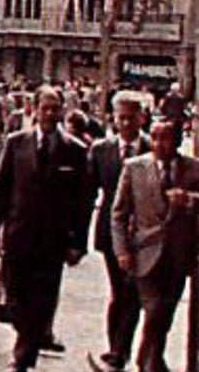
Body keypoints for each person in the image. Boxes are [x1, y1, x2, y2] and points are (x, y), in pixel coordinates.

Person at [0, 87, 91, 372]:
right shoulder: (16, 143)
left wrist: (78, 243)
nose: (50, 114)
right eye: (45, 108)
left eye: (55, 109)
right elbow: (2, 191)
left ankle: (23, 356)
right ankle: (27, 336)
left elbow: (82, 203)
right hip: (18, 235)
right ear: (34, 109)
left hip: (53, 240)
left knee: (43, 298)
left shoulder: (75, 150)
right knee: (16, 295)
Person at [111, 121, 199, 372]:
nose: (159, 144)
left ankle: (150, 359)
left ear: (178, 141)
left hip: (177, 255)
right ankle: (150, 363)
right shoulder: (134, 168)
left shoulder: (195, 169)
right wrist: (121, 250)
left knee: (165, 314)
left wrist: (189, 199)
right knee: (154, 309)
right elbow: (119, 214)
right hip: (143, 253)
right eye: (154, 138)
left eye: (165, 139)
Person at [85, 91, 151, 372]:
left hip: (144, 235)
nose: (125, 123)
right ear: (113, 118)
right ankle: (116, 349)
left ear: (142, 118)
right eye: (120, 117)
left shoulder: (152, 146)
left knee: (133, 293)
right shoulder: (101, 149)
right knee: (119, 291)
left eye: (131, 117)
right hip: (111, 231)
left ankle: (120, 351)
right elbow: (87, 193)